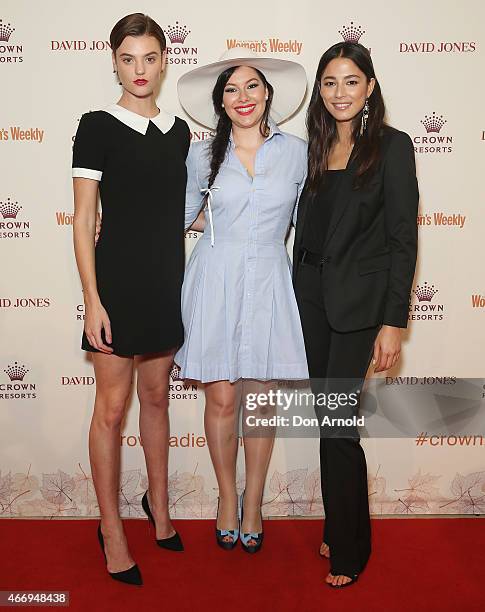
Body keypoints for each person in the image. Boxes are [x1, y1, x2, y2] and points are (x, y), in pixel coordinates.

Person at [293, 42, 418, 587]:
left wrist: (394, 322)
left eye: (350, 81)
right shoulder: (315, 148)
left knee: (340, 427)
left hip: (359, 309)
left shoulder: (392, 147)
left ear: (369, 87)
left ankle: (352, 547)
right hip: (311, 301)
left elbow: (402, 240)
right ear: (319, 92)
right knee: (328, 423)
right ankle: (338, 522)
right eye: (329, 82)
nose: (339, 92)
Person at [72, 13, 190, 585]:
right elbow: (84, 217)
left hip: (166, 283)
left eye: (149, 58)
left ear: (165, 60)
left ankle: (159, 510)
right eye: (127, 58)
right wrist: (92, 299)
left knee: (158, 399)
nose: (139, 70)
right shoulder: (96, 125)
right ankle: (111, 528)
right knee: (111, 411)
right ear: (114, 61)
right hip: (116, 287)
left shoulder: (180, 131)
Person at [176, 49, 309, 552]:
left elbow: (308, 222)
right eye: (231, 89)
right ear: (221, 101)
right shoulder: (201, 154)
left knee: (260, 399)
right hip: (216, 280)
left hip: (270, 279)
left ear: (268, 93)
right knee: (224, 398)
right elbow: (185, 214)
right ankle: (226, 497)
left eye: (251, 86)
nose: (243, 97)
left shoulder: (295, 153)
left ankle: (254, 500)